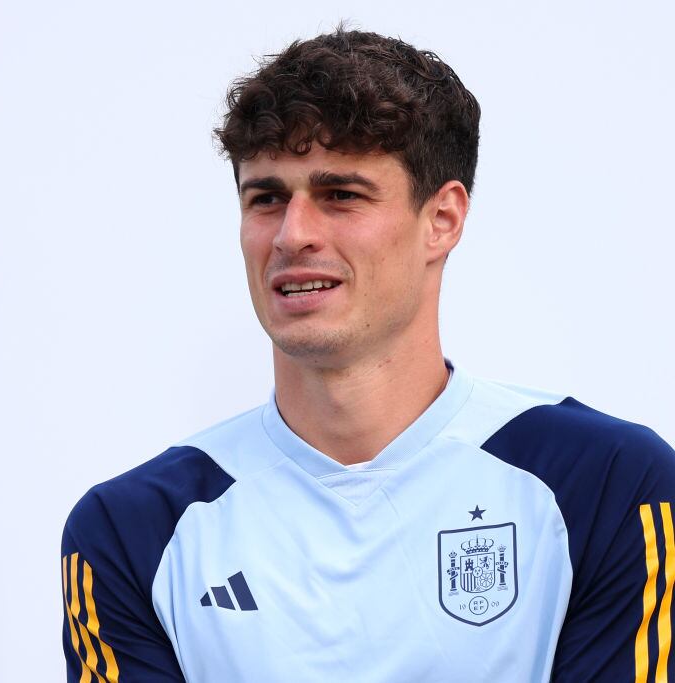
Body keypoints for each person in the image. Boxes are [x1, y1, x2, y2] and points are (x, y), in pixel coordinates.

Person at [60, 27, 675, 682]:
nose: (293, 234)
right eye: (266, 197)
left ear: (442, 219)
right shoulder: (130, 531)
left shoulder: (609, 485)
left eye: (340, 195)